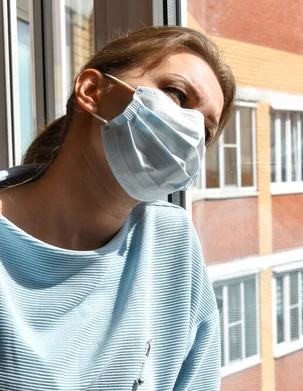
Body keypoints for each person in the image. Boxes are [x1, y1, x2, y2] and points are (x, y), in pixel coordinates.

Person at [0, 26, 235, 390]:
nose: (189, 130)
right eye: (176, 94)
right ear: (92, 91)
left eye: (205, 131)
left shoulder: (171, 242)